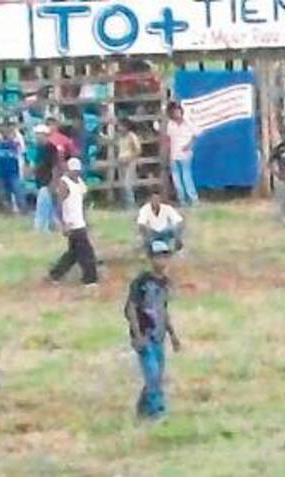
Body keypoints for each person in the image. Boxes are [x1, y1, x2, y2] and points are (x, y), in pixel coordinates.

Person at [125, 240, 181, 420]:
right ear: (150, 259)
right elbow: (131, 308)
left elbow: (163, 310)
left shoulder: (164, 283)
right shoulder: (142, 282)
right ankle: (158, 412)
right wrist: (137, 334)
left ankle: (143, 409)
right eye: (158, 256)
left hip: (159, 335)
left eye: (165, 256)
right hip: (145, 335)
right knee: (153, 374)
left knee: (155, 374)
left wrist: (172, 334)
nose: (162, 261)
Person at [48, 158, 98, 287]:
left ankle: (55, 274)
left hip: (80, 221)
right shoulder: (64, 184)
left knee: (73, 253)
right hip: (72, 223)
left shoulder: (79, 182)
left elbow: (83, 200)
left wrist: (86, 219)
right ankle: (90, 279)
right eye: (73, 171)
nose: (76, 173)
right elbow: (59, 205)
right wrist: (63, 224)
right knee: (86, 252)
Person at [163, 103, 199, 207]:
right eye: (174, 111)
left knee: (186, 177)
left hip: (185, 154)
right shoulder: (170, 124)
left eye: (178, 111)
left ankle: (193, 199)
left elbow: (196, 134)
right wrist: (167, 151)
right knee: (177, 180)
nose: (176, 113)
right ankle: (182, 200)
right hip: (174, 154)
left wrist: (189, 145)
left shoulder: (187, 122)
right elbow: (168, 139)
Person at [32, 124, 60, 231]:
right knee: (49, 206)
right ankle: (54, 225)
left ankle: (41, 227)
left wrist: (54, 181)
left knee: (43, 205)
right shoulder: (39, 148)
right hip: (40, 180)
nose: (37, 137)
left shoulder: (51, 148)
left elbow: (55, 166)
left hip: (47, 180)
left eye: (39, 135)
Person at [0, 123, 25, 214]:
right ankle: (8, 211)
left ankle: (22, 210)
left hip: (13, 172)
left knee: (17, 191)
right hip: (1, 172)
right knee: (5, 193)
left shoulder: (14, 143)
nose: (5, 134)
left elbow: (20, 153)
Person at [117, 119, 142, 209]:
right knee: (122, 183)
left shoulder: (132, 136)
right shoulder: (120, 137)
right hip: (121, 161)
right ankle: (126, 203)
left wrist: (130, 158)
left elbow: (138, 150)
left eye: (121, 126)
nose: (119, 128)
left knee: (128, 184)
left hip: (129, 162)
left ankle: (131, 204)